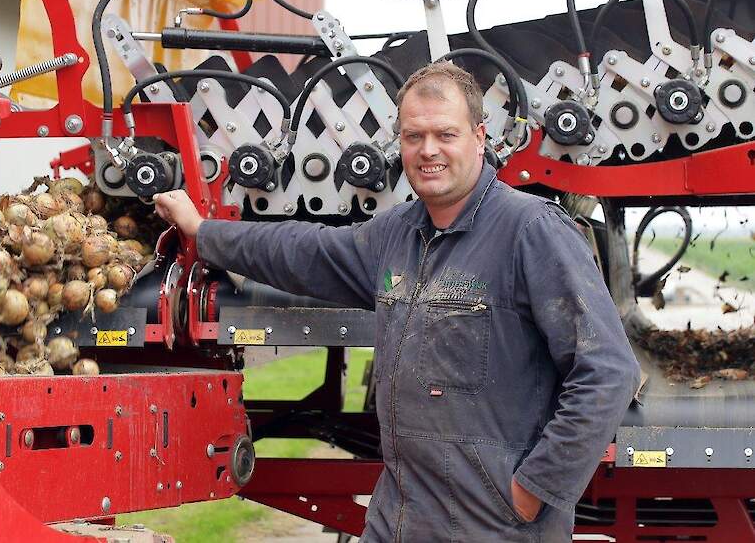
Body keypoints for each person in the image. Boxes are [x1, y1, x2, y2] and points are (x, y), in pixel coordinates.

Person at [154, 62, 640, 542]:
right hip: (401, 516)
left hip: (494, 525)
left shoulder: (530, 231)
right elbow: (304, 251)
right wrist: (204, 231)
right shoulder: (397, 233)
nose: (428, 151)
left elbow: (608, 371)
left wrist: (532, 489)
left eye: (445, 135)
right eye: (413, 137)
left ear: (480, 136)